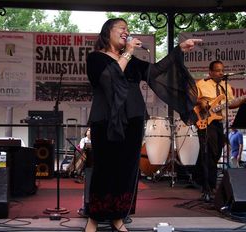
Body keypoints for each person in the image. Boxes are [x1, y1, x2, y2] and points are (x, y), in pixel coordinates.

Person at [85, 18, 201, 232]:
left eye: (127, 30)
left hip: (133, 117)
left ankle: (118, 217)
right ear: (107, 32)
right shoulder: (95, 58)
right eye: (122, 28)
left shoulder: (132, 61)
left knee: (127, 169)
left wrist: (179, 50)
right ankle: (94, 217)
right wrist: (128, 52)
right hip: (106, 119)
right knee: (105, 167)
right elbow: (110, 78)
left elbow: (157, 71)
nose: (126, 32)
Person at [194, 60, 246, 202]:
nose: (221, 73)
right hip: (204, 120)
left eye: (222, 70)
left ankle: (200, 179)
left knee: (216, 153)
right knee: (208, 152)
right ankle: (208, 188)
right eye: (217, 70)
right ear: (210, 72)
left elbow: (232, 104)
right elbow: (192, 99)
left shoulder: (226, 87)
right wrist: (201, 102)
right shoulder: (201, 84)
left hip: (219, 121)